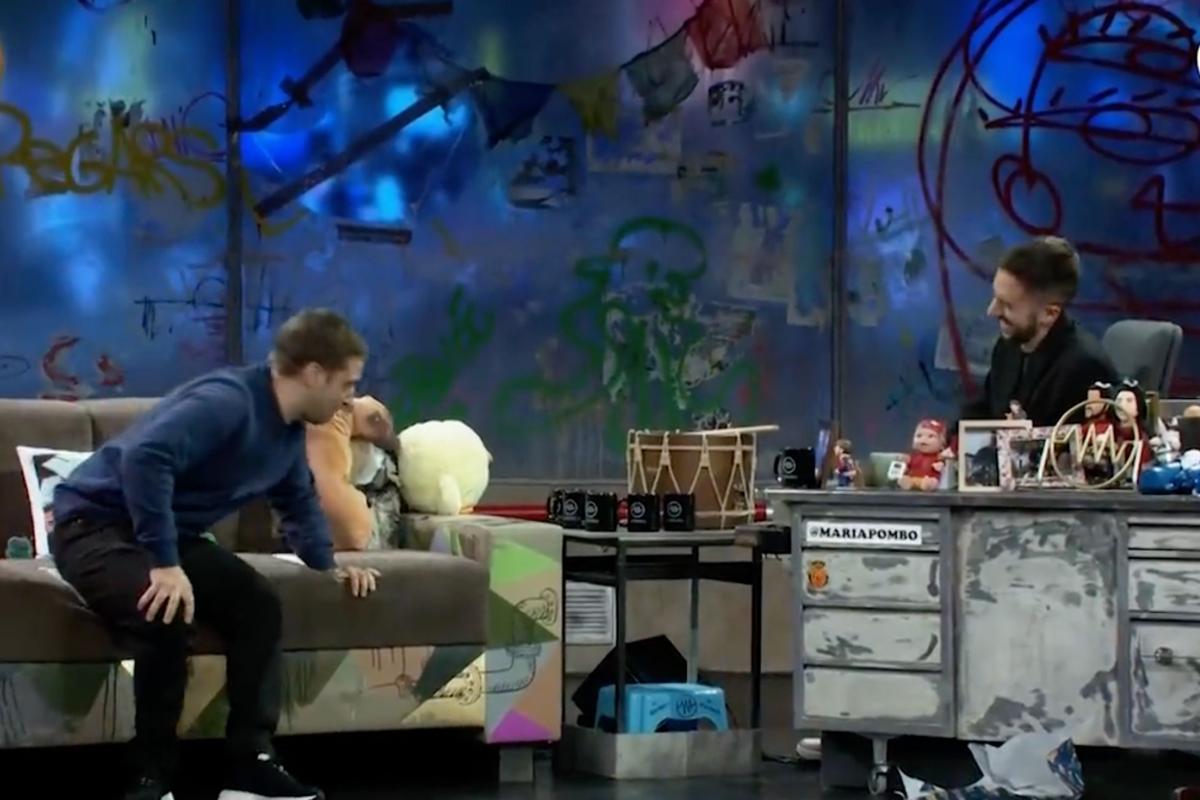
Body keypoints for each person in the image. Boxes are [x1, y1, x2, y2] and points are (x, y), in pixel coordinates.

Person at [51, 309, 382, 800]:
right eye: (347, 384)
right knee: (163, 608)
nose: (349, 399)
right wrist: (165, 564)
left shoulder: (288, 432)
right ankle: (150, 776)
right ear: (315, 373)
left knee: (258, 604)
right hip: (94, 527)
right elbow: (146, 458)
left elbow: (297, 501)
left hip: (167, 534)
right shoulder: (227, 402)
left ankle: (250, 766)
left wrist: (328, 566)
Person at [960, 236, 1118, 428]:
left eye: (1007, 305)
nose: (992, 311)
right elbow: (983, 410)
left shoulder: (1084, 368)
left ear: (1049, 314)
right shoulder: (1007, 346)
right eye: (995, 298)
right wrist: (944, 438)